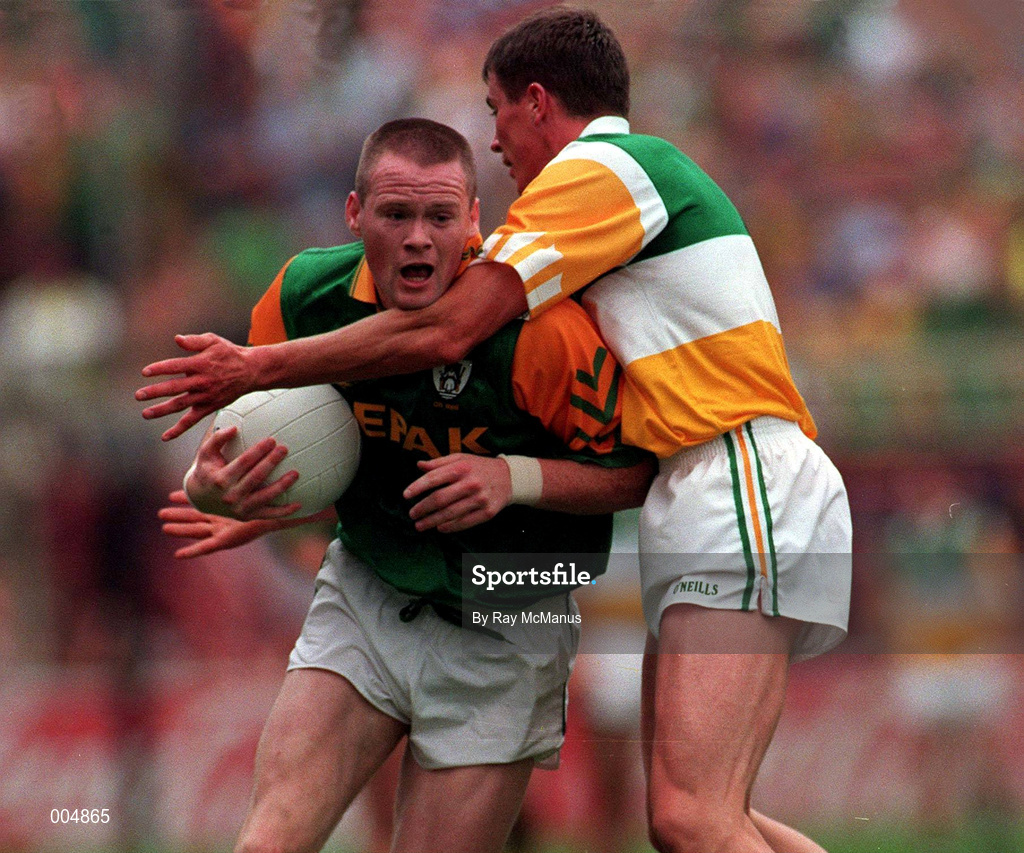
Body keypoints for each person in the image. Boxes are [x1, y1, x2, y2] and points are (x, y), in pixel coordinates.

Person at [136, 8, 852, 852]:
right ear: (353, 213)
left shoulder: (605, 175)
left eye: (494, 112)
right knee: (690, 815)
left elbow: (453, 333)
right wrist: (262, 502)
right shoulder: (320, 291)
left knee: (694, 816)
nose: (497, 138)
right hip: (666, 499)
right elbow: (376, 446)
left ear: (536, 104)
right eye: (395, 214)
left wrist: (257, 368)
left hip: (706, 491)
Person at [162, 116, 653, 853]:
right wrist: (228, 491)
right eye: (396, 214)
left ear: (474, 221)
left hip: (511, 614)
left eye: (440, 216)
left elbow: (634, 474)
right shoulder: (306, 298)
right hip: (368, 590)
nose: (419, 236)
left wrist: (511, 477)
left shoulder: (540, 331)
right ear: (356, 214)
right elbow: (304, 446)